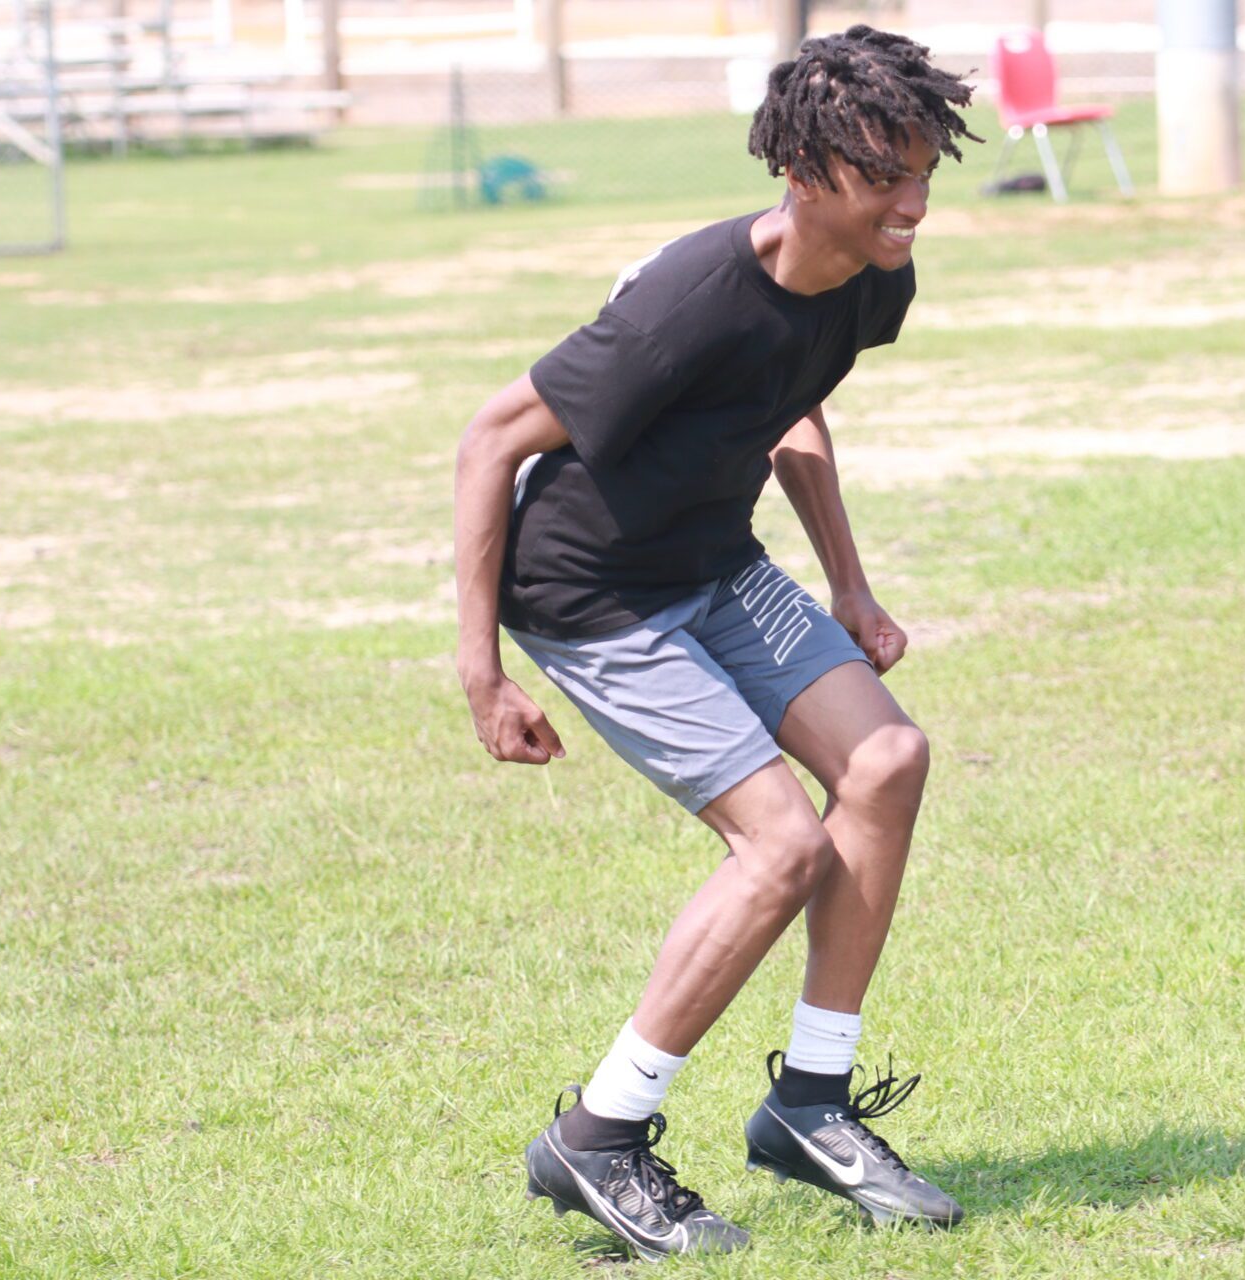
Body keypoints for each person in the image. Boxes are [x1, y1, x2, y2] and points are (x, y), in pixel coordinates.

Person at [449, 25, 983, 1261]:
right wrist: (482, 672)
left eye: (922, 173)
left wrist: (848, 581)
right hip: (594, 593)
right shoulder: (685, 304)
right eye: (885, 177)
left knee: (886, 761)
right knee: (780, 845)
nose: (912, 204)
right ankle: (596, 1134)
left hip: (714, 562)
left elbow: (790, 404)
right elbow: (492, 438)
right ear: (803, 176)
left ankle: (810, 1102)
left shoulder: (872, 273)